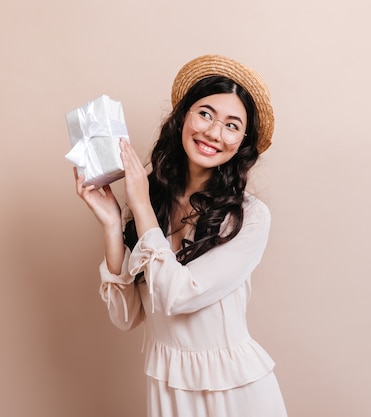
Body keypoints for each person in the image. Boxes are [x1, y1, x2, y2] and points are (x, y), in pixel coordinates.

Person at [74, 55, 288, 417]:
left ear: (242, 143)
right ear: (183, 117)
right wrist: (113, 224)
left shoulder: (249, 217)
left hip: (233, 394)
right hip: (169, 390)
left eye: (232, 125)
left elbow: (178, 296)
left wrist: (139, 205)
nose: (214, 133)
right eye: (205, 113)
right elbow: (125, 317)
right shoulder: (153, 204)